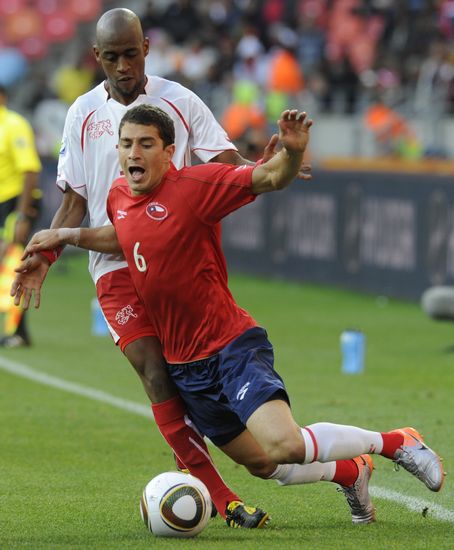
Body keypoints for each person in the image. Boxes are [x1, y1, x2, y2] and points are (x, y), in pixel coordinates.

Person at [16, 105, 446, 528]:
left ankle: (395, 442)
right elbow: (127, 235)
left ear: (169, 152)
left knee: (284, 445)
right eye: (126, 144)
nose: (133, 153)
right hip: (186, 368)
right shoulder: (118, 195)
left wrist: (293, 153)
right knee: (263, 464)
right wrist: (66, 235)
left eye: (146, 144)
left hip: (230, 346)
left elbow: (270, 177)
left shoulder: (197, 186)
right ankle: (352, 472)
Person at [9, 6, 305, 527]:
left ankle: (321, 464)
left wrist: (273, 167)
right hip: (113, 266)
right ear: (96, 56)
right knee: (154, 371)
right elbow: (75, 200)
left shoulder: (181, 101)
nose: (124, 66)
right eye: (112, 57)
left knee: (193, 386)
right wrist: (46, 254)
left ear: (146, 48)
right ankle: (222, 498)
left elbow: (224, 165)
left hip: (177, 258)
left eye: (131, 54)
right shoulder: (82, 113)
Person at [0, 84, 41, 348]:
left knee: (15, 265)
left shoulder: (14, 125)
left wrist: (23, 216)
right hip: (3, 203)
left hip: (17, 203)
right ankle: (18, 331)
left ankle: (16, 331)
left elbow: (30, 170)